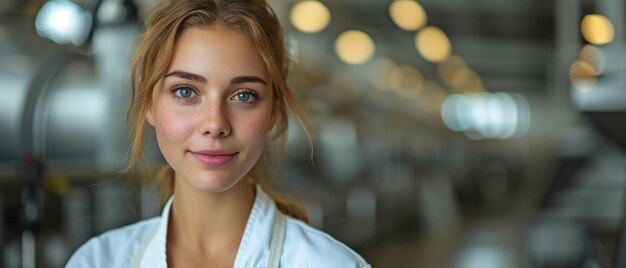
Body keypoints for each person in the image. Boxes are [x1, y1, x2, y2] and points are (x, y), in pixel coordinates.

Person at [66, 0, 370, 267]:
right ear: (149, 104)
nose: (215, 123)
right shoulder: (98, 260)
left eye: (244, 95)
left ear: (274, 112)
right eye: (185, 91)